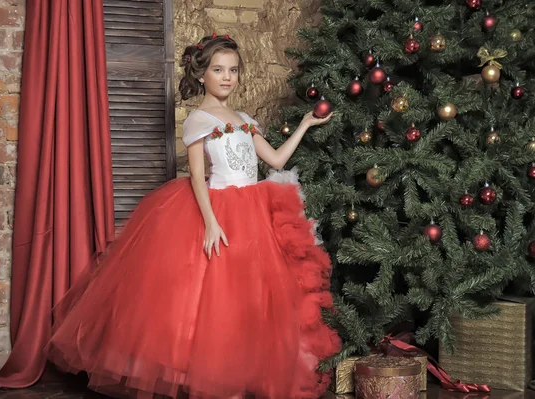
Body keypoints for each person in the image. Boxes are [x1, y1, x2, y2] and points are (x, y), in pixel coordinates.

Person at [45, 34, 342, 399]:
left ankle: (241, 371)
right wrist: (212, 222)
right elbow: (196, 177)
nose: (227, 77)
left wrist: (305, 126)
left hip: (255, 212)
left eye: (233, 70)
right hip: (219, 210)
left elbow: (277, 161)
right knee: (211, 299)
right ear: (202, 75)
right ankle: (210, 376)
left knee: (252, 299)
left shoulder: (245, 120)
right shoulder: (198, 120)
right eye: (218, 70)